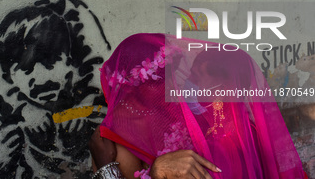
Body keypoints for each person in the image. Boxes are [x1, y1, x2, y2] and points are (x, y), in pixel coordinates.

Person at [89, 33, 307, 179]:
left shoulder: (192, 116)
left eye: (172, 74)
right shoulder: (113, 139)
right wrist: (155, 171)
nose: (172, 83)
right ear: (133, 85)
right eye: (158, 78)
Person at [0, 8, 104, 178]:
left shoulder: (91, 109)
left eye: (52, 63)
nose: (42, 79)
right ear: (10, 77)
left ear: (70, 63)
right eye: (26, 69)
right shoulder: (7, 124)